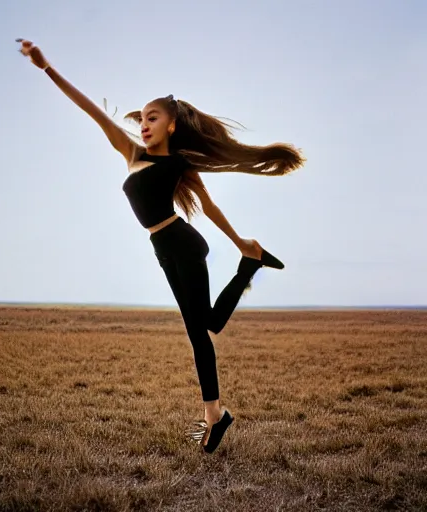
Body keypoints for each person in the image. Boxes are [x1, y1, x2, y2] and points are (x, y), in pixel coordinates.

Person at [16, 38, 305, 453]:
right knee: (209, 324)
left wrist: (236, 237)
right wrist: (46, 68)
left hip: (183, 243)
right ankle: (250, 264)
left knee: (199, 333)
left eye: (154, 118)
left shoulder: (178, 163)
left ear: (171, 125)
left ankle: (214, 416)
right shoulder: (130, 151)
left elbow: (208, 205)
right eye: (143, 118)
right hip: (163, 249)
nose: (145, 124)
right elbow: (89, 108)